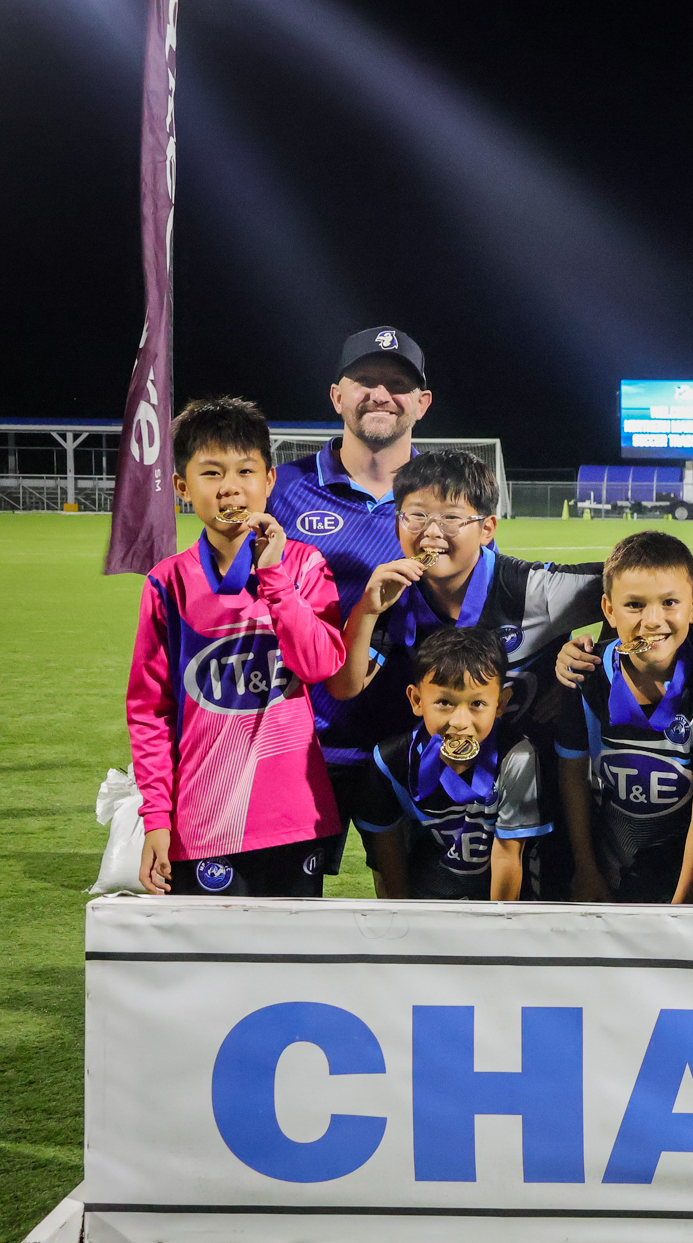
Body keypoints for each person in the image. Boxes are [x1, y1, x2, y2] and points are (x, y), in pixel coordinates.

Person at [325, 450, 602, 896]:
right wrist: (367, 609)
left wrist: (594, 652)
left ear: (487, 528)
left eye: (452, 518)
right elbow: (344, 685)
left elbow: (640, 586)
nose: (432, 532)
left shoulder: (533, 590)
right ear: (396, 522)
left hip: (532, 786)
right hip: (439, 795)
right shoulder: (393, 594)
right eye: (415, 516)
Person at [128, 397, 346, 897]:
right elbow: (149, 712)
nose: (230, 486)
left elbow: (318, 664)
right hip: (202, 819)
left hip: (294, 814)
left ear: (269, 481)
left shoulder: (305, 566)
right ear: (182, 488)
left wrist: (273, 576)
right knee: (209, 970)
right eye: (211, 473)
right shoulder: (168, 584)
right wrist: (157, 818)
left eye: (245, 470)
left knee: (292, 967)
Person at [268, 326, 434, 878]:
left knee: (420, 913)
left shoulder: (446, 497)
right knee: (285, 915)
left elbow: (480, 607)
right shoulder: (284, 490)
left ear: (422, 403)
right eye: (364, 381)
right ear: (337, 396)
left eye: (398, 384)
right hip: (304, 744)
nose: (381, 394)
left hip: (415, 743)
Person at [557, 532, 693, 903]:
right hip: (608, 872)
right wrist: (585, 869)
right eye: (634, 604)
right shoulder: (584, 675)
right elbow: (572, 777)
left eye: (669, 602)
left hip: (690, 880)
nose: (652, 621)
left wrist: (686, 900)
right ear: (608, 609)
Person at [352, 627, 550, 900]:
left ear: (501, 704)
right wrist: (402, 920)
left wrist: (498, 930)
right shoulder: (390, 762)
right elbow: (389, 855)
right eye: (444, 702)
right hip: (428, 908)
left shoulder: (517, 757)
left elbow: (507, 856)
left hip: (498, 907)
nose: (460, 722)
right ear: (417, 700)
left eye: (477, 703)